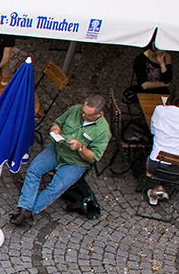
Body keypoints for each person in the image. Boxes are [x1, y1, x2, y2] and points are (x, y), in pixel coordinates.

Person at [11, 94, 110, 225]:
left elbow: (93, 157)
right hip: (58, 149)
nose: (83, 115)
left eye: (88, 115)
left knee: (57, 187)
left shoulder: (103, 131)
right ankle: (25, 209)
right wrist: (55, 130)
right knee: (34, 170)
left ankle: (27, 211)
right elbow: (57, 123)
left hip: (76, 162)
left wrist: (81, 147)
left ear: (99, 114)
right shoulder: (76, 109)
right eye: (83, 112)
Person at [143, 95, 179, 205]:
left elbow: (153, 130)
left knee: (159, 159)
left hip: (156, 165)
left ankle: (156, 190)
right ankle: (159, 188)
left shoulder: (159, 110)